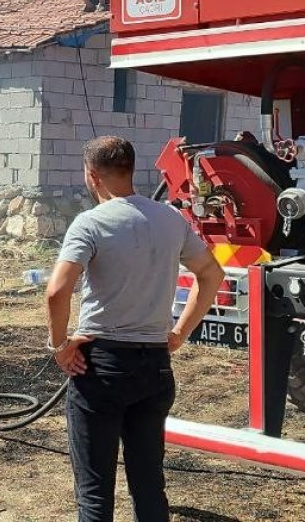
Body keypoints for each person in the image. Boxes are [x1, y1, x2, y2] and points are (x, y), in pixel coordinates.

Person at [44, 136, 224, 522]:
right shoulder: (171, 219)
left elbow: (57, 291)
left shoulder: (89, 223)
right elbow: (211, 274)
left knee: (95, 494)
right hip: (155, 368)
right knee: (148, 486)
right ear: (129, 169)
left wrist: (59, 346)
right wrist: (179, 333)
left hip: (102, 369)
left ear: (92, 175)